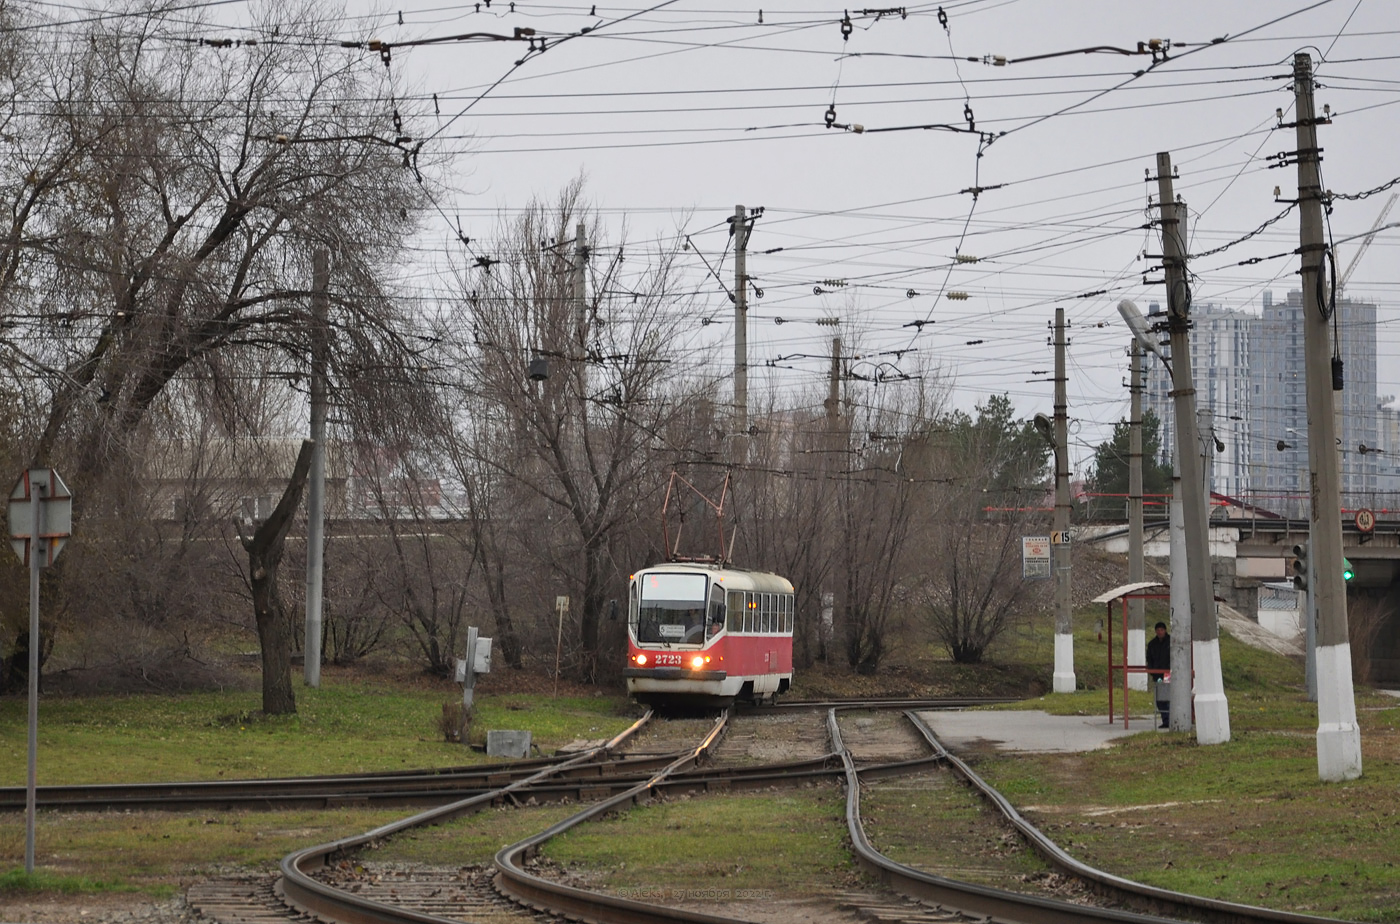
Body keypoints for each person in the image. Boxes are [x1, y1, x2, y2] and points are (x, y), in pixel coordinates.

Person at [1145, 621, 1171, 728]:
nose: (1160, 632)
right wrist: (1152, 671)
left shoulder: (1171, 642)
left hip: (1168, 674)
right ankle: (1166, 720)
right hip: (1157, 675)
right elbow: (1149, 658)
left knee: (1168, 696)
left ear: (1165, 630)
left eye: (1161, 630)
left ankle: (1170, 719)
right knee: (1159, 698)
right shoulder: (1152, 644)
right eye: (1158, 630)